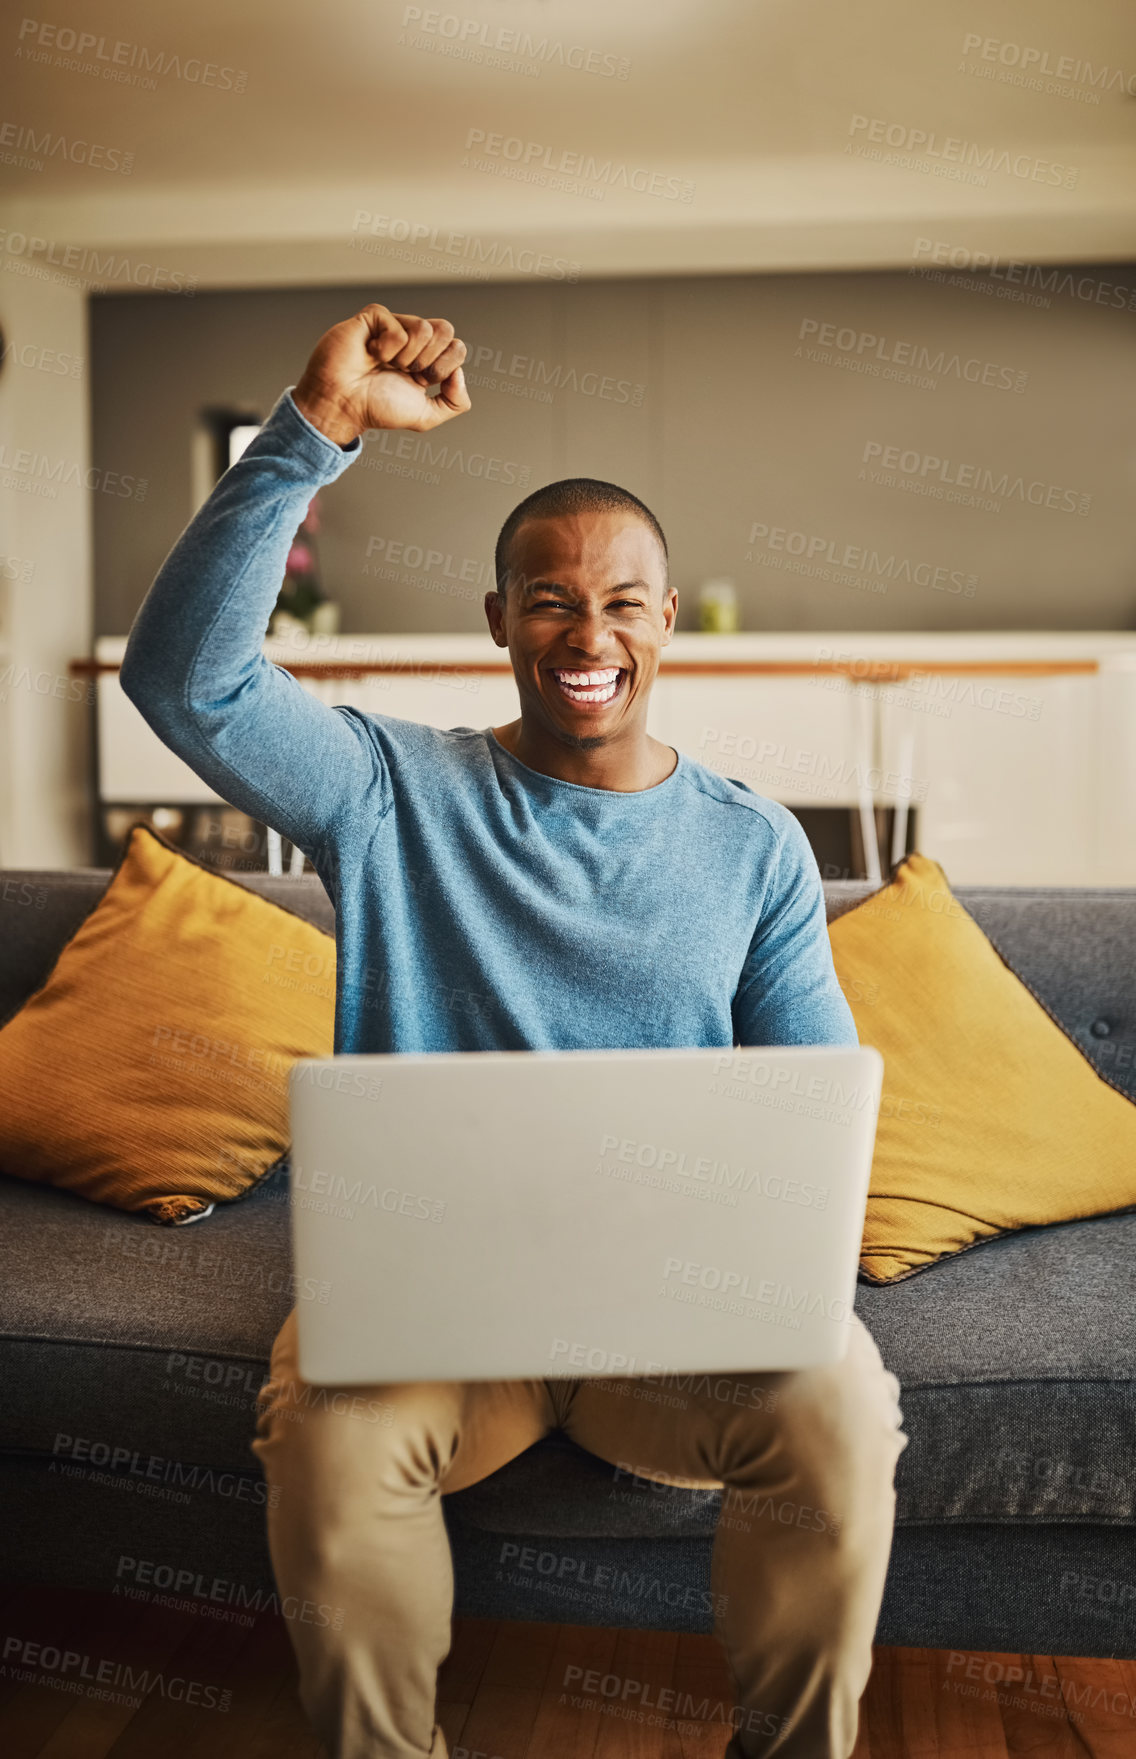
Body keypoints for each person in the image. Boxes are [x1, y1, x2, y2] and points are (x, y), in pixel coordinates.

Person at [120, 301, 908, 1759]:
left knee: (843, 1408)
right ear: (499, 622)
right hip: (431, 1315)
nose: (587, 631)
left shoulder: (754, 848)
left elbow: (813, 1106)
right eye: (549, 598)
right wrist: (314, 430)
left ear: (667, 620)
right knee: (329, 1442)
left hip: (673, 1320)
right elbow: (183, 682)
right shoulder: (386, 790)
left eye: (621, 600)